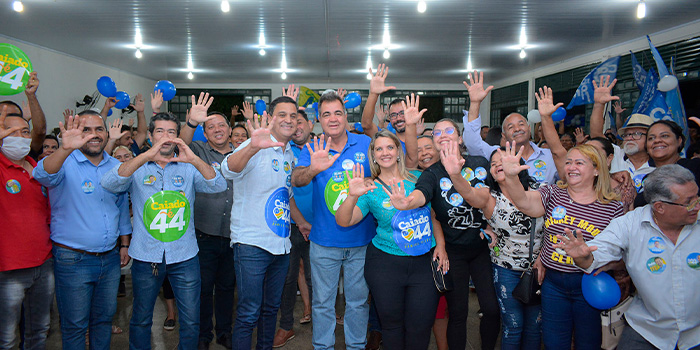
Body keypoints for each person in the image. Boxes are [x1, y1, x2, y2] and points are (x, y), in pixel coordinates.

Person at [101, 111, 227, 350]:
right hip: (146, 256)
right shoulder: (137, 167)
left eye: (171, 132)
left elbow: (218, 184)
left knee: (191, 320)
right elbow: (109, 183)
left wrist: (193, 160)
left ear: (178, 137)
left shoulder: (187, 168)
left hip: (185, 255)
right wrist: (145, 155)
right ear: (150, 135)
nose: (166, 137)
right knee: (140, 319)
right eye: (160, 131)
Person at [554, 165, 700, 350]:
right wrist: (582, 257)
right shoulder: (629, 224)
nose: (697, 206)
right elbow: (595, 255)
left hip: (696, 334)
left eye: (697, 197)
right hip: (648, 331)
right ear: (660, 207)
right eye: (689, 202)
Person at [498, 135, 624, 348]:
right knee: (554, 341)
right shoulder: (553, 193)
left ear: (596, 170)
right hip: (553, 283)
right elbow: (524, 202)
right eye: (568, 162)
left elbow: (621, 254)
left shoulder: (613, 208)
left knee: (588, 343)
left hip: (589, 284)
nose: (571, 167)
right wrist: (511, 178)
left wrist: (591, 258)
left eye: (579, 163)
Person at [386, 118, 500, 350]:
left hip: (481, 250)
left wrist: (491, 225)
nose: (442, 134)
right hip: (453, 253)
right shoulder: (432, 174)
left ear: (459, 138)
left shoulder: (479, 163)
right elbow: (422, 194)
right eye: (437, 132)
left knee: (491, 309)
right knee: (458, 313)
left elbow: (487, 199)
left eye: (448, 130)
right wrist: (406, 203)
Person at [336, 129, 449, 350]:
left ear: (398, 150)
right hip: (385, 265)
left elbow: (434, 216)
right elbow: (344, 221)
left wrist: (442, 246)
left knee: (420, 327)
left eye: (390, 147)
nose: (385, 152)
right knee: (392, 328)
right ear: (374, 155)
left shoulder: (419, 178)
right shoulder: (369, 188)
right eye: (379, 148)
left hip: (423, 264)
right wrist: (352, 196)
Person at [34, 111, 132, 349]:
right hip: (72, 259)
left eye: (99, 129)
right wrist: (65, 148)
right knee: (75, 326)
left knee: (102, 320)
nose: (94, 135)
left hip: (109, 259)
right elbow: (42, 174)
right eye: (86, 129)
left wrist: (124, 244)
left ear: (107, 133)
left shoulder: (116, 166)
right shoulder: (64, 162)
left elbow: (120, 206)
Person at [222, 96, 310, 350]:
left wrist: (301, 223)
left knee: (271, 309)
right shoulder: (255, 143)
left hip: (281, 246)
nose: (289, 120)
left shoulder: (290, 152)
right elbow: (229, 169)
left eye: (293, 116)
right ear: (271, 117)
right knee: (249, 311)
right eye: (282, 114)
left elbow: (287, 196)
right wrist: (252, 147)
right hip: (251, 244)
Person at [440, 137, 544, 349]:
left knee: (534, 327)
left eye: (503, 161)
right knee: (513, 325)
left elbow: (554, 227)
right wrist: (454, 174)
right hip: (505, 269)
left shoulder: (539, 190)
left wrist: (543, 258)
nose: (498, 165)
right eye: (494, 163)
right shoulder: (489, 196)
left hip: (538, 269)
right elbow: (468, 194)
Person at [291, 91, 374, 350]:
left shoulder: (365, 144)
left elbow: (386, 174)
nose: (333, 118)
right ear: (318, 119)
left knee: (358, 302)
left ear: (346, 116)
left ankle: (356, 346)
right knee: (323, 303)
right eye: (326, 114)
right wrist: (315, 167)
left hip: (362, 240)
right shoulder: (312, 148)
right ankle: (323, 347)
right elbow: (297, 179)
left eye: (338, 112)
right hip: (324, 242)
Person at [179, 93, 237, 350]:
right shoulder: (199, 150)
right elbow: (181, 142)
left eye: (221, 125)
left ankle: (224, 332)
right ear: (205, 132)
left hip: (235, 235)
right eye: (210, 126)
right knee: (203, 290)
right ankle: (203, 335)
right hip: (204, 233)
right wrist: (191, 122)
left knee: (227, 289)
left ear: (230, 129)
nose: (217, 130)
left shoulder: (241, 153)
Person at [0, 106, 53, 350]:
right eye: (10, 132)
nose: (19, 137)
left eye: (24, 131)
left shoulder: (38, 169)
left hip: (43, 265)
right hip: (8, 269)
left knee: (38, 332)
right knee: (7, 337)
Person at [462, 70, 558, 184]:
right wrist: (475, 103)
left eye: (521, 124)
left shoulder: (549, 155)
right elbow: (471, 142)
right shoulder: (497, 154)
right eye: (510, 127)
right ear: (504, 135)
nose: (517, 129)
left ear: (529, 128)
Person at [274, 108, 315, 347]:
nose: (297, 127)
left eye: (301, 122)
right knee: (288, 280)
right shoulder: (281, 150)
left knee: (317, 278)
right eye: (292, 122)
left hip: (318, 227)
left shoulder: (321, 148)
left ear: (310, 124)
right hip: (286, 226)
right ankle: (285, 326)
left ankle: (323, 320)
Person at [588, 75, 654, 192]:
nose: (630, 138)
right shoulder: (616, 155)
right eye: (627, 134)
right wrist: (599, 104)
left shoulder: (657, 166)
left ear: (650, 138)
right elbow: (596, 135)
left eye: (637, 133)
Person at [360, 64, 419, 167]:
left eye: (402, 113)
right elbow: (366, 125)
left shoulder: (421, 142)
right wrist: (373, 94)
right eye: (393, 115)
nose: (398, 118)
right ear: (390, 119)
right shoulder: (386, 141)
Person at [634, 120, 700, 207]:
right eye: (651, 138)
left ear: (679, 140)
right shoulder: (648, 178)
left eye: (664, 136)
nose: (657, 140)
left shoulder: (696, 167)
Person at [0, 72, 47, 161]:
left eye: (16, 116)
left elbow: (40, 131)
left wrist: (31, 95)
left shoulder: (24, 143)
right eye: (3, 115)